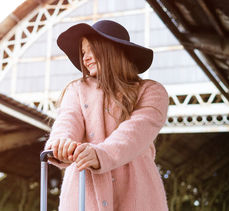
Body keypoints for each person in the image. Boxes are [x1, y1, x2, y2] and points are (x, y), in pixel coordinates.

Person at [45, 20, 169, 211]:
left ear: (112, 49)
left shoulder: (151, 91)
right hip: (82, 198)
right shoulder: (75, 90)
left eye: (91, 49)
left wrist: (99, 155)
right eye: (83, 52)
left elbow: (135, 133)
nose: (85, 58)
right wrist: (61, 143)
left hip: (137, 197)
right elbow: (67, 121)